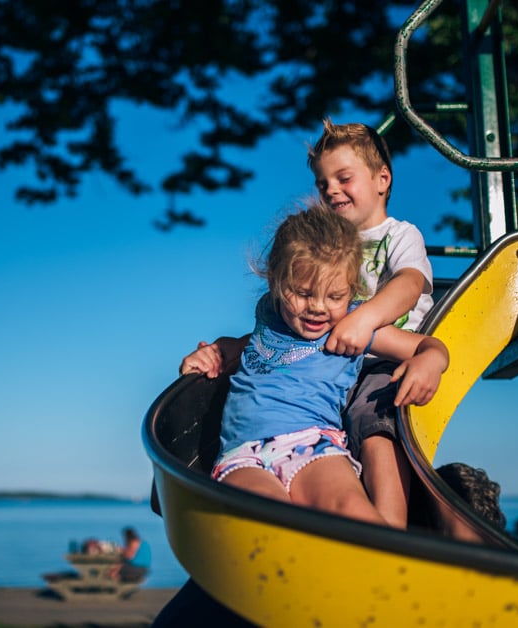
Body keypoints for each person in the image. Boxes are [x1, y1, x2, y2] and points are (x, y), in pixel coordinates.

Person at [181, 119, 434, 528]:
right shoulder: (313, 253)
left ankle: (391, 534)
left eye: (343, 177)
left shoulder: (398, 236)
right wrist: (230, 346)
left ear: (382, 179)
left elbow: (409, 284)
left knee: (374, 426)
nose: (331, 189)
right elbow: (274, 336)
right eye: (322, 183)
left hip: (379, 360)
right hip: (312, 377)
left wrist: (362, 318)